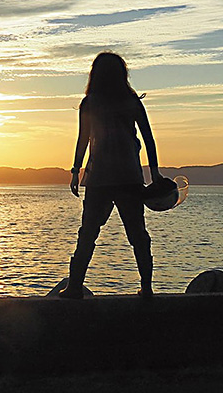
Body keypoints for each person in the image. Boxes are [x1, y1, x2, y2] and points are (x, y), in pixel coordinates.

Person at [61, 52, 162, 299]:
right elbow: (148, 139)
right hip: (129, 176)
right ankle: (147, 287)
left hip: (99, 178)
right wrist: (155, 173)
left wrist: (76, 172)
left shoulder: (90, 102)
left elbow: (82, 140)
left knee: (88, 233)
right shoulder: (131, 101)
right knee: (138, 233)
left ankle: (75, 287)